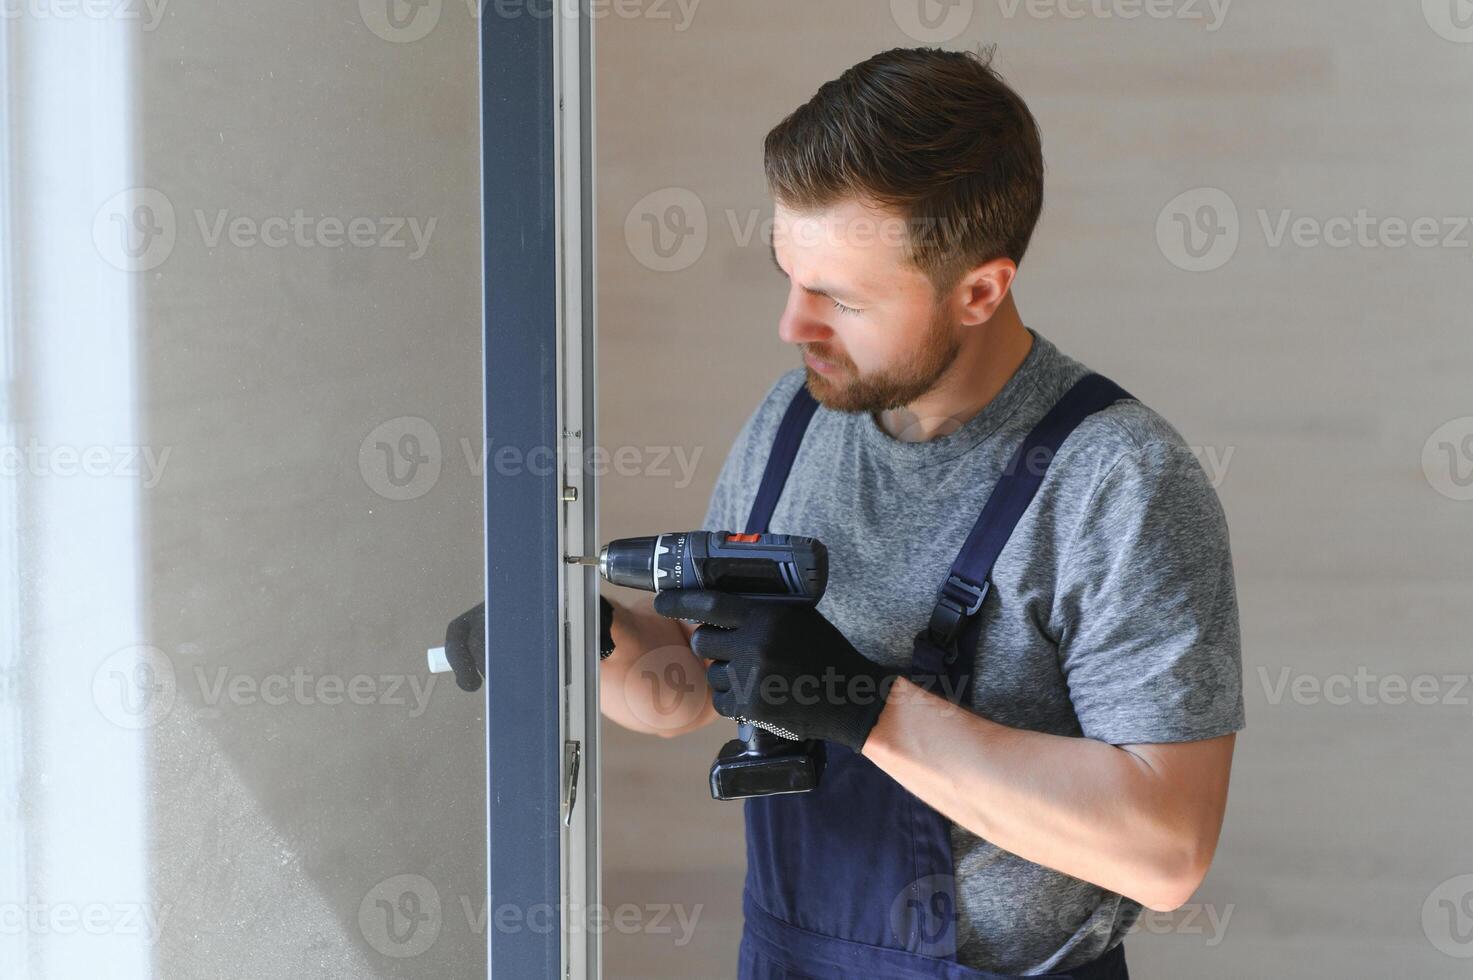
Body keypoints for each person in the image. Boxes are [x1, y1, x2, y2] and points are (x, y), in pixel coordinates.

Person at [454, 45, 1244, 980]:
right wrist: (578, 642)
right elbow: (693, 687)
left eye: (836, 296)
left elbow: (1165, 852)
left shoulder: (1116, 478)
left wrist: (864, 707)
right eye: (789, 273)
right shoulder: (794, 418)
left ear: (980, 291)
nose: (792, 325)